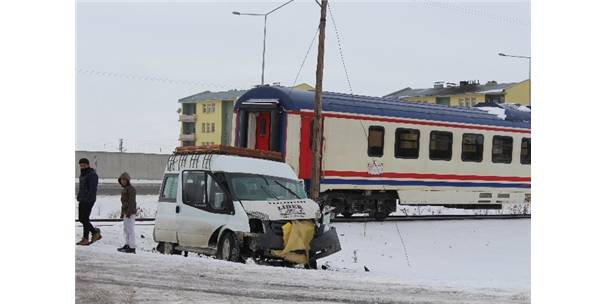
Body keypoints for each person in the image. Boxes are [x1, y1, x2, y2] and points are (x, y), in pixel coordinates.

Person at [76, 158, 101, 245]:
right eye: (81, 165)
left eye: (84, 165)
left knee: (85, 219)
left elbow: (92, 189)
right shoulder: (83, 174)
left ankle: (87, 237)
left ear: (88, 165)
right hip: (82, 199)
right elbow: (82, 188)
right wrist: (79, 196)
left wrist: (87, 198)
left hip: (89, 200)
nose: (82, 167)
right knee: (81, 219)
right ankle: (93, 233)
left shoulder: (92, 174)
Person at [117, 172, 137, 254]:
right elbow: (124, 203)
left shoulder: (131, 189)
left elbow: (132, 202)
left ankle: (132, 247)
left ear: (127, 180)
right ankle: (127, 244)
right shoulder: (124, 189)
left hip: (130, 212)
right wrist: (123, 213)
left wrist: (128, 212)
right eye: (122, 180)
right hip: (126, 211)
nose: (123, 181)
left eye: (124, 180)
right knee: (126, 229)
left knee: (130, 229)